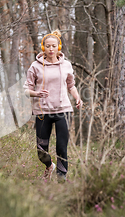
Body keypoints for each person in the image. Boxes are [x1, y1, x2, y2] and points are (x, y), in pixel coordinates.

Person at [23, 30, 82, 182]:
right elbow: (26, 90)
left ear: (58, 47)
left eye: (53, 46)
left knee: (62, 147)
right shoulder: (35, 66)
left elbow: (71, 86)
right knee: (41, 150)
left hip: (63, 111)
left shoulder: (66, 65)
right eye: (48, 46)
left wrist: (77, 97)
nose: (51, 49)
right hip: (42, 111)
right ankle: (49, 166)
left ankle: (61, 180)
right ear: (43, 48)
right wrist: (36, 94)